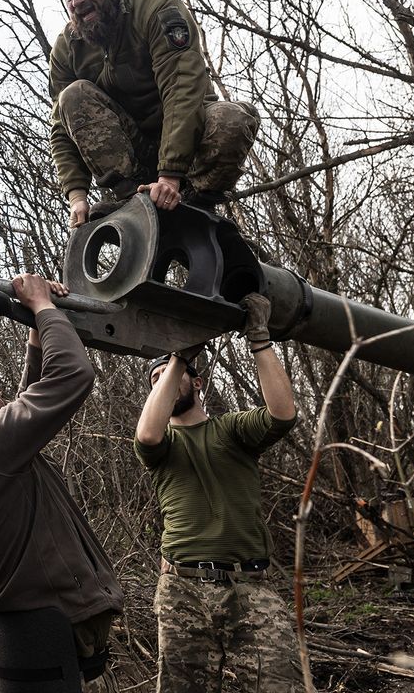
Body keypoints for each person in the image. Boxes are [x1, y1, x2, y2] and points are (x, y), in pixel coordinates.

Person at [0, 274, 124, 692]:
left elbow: (25, 402)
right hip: (47, 633)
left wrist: (37, 335)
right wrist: (43, 307)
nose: (9, 406)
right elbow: (72, 373)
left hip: (40, 634)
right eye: (0, 402)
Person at [134, 293, 303, 692]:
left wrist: (259, 336)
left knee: (279, 683)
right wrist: (175, 359)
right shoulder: (159, 447)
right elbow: (147, 431)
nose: (166, 384)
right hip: (182, 587)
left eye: (175, 377)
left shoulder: (231, 431)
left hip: (250, 585)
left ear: (198, 383)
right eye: (156, 381)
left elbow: (283, 413)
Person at [46, 0, 261, 225]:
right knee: (72, 97)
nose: (76, 2)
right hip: (136, 157)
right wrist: (77, 197)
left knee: (233, 118)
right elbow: (62, 129)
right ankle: (132, 201)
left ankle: (197, 203)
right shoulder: (67, 49)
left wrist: (170, 178)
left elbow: (182, 89)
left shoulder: (157, 10)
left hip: (190, 148)